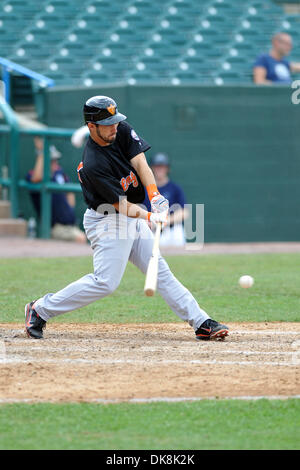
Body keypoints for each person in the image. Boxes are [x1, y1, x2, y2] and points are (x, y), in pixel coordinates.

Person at [24, 95, 229, 342]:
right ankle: (40, 309)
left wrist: (155, 196)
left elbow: (141, 163)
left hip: (132, 213)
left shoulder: (120, 130)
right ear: (91, 126)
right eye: (107, 123)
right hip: (107, 219)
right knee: (106, 283)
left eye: (115, 121)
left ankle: (201, 322)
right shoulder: (93, 165)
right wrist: (150, 215)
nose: (114, 127)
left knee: (160, 271)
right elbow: (120, 206)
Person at [26, 137, 86, 243]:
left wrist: (68, 210)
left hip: (71, 225)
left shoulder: (59, 173)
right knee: (80, 239)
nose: (55, 163)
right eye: (51, 161)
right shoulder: (36, 176)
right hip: (55, 227)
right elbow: (35, 178)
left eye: (55, 160)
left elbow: (70, 191)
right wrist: (41, 152)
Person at [143, 152, 189, 246]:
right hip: (150, 229)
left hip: (171, 229)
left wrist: (165, 221)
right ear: (152, 168)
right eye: (157, 166)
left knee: (177, 236)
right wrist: (150, 220)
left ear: (167, 168)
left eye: (162, 166)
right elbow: (137, 209)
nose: (159, 169)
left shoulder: (175, 188)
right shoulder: (144, 189)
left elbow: (184, 212)